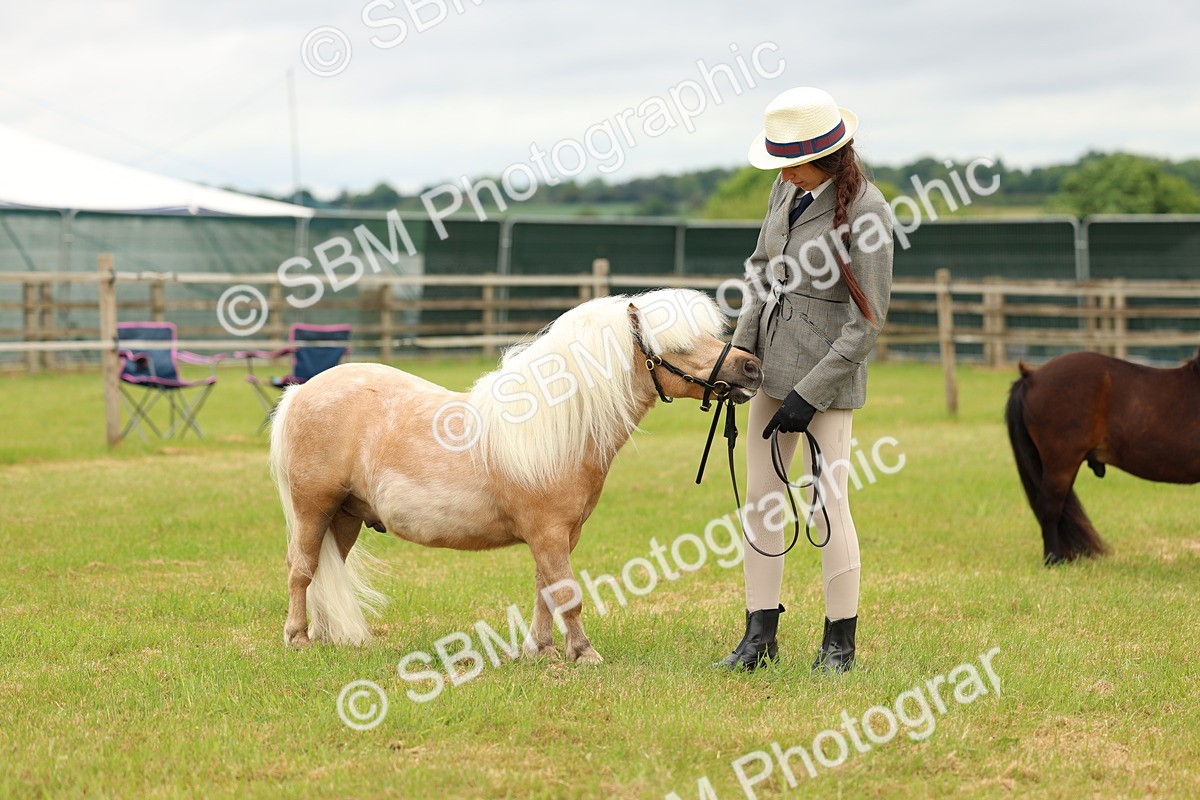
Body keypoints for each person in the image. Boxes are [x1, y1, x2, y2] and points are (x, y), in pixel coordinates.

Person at [715, 87, 894, 672]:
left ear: (822, 155)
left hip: (826, 385)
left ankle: (838, 647)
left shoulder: (868, 211)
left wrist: (809, 396)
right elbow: (762, 270)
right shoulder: (783, 189)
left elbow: (865, 324)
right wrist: (741, 350)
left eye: (788, 159)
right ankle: (757, 639)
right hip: (769, 373)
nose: (782, 171)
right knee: (763, 506)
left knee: (826, 507)